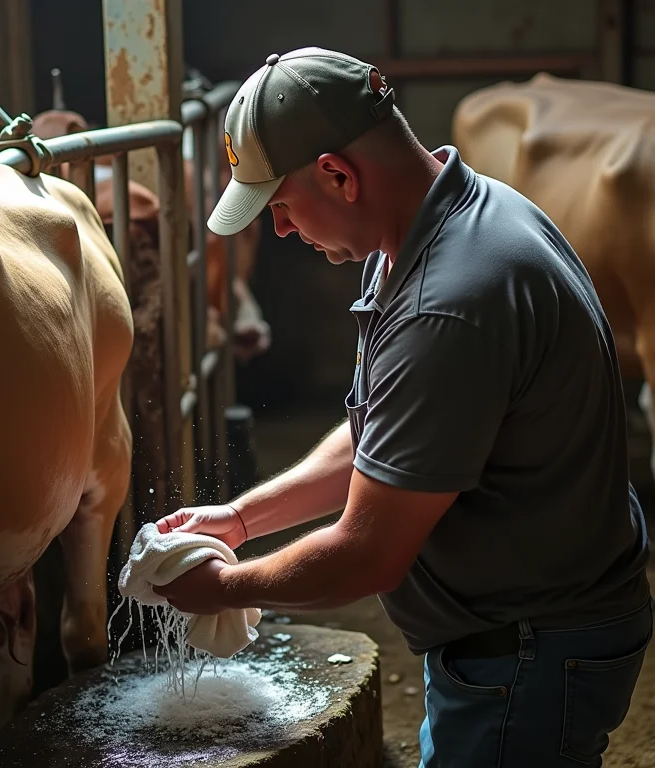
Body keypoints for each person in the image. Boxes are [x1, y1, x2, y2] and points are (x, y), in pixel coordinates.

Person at [152, 47, 652, 767]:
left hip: (529, 652)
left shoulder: (448, 303)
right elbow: (384, 433)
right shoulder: (429, 226)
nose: (281, 230)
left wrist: (224, 587)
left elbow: (367, 556)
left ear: (338, 175)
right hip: (510, 637)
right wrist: (240, 519)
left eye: (280, 205)